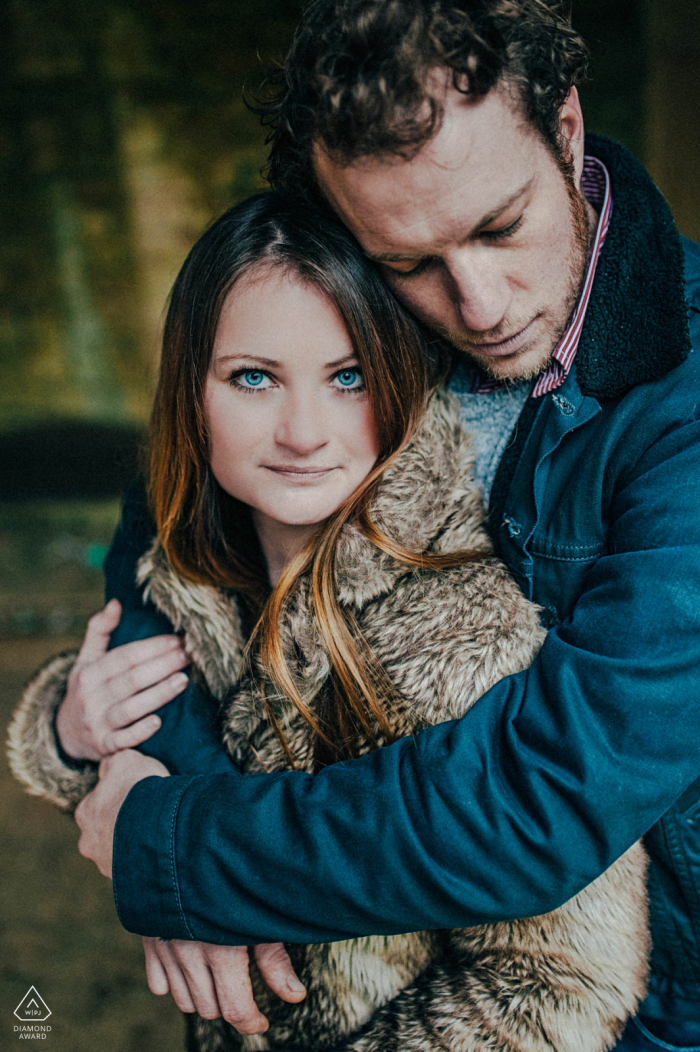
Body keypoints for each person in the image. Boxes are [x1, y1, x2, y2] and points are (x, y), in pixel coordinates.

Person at [15, 1, 700, 1048]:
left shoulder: (688, 408)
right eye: (406, 260)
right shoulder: (358, 252)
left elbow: (541, 796)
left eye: (501, 223)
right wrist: (169, 786)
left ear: (563, 126)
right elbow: (185, 495)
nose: (476, 302)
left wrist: (180, 851)